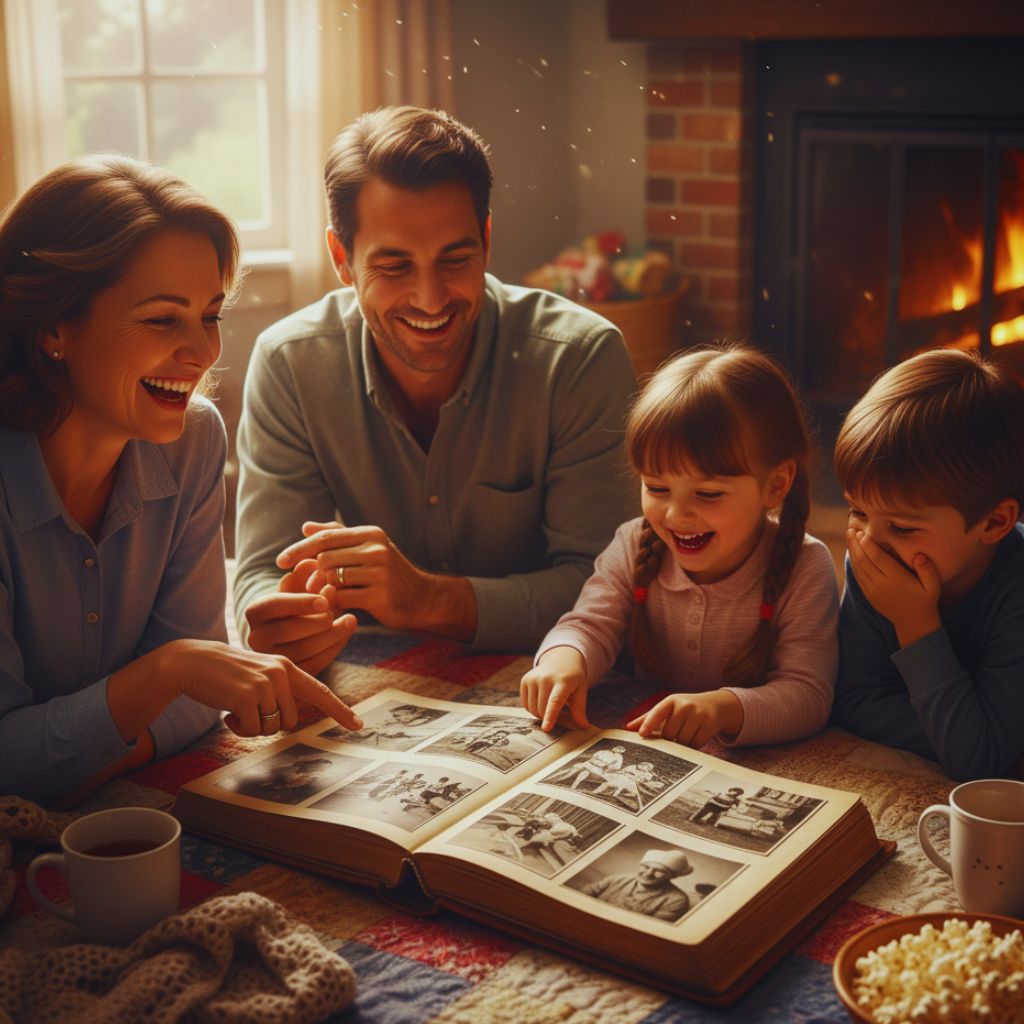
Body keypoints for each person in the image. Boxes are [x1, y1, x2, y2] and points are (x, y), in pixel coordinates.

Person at [0, 155, 361, 806]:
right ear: (54, 327)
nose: (203, 352)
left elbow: (201, 698)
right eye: (164, 319)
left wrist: (149, 703)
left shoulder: (194, 440)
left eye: (211, 314)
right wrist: (168, 674)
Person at [235, 106, 637, 672]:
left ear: (488, 240)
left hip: (552, 674)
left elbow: (611, 591)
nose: (431, 298)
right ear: (341, 260)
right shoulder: (289, 364)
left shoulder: (580, 361)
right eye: (395, 266)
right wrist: (279, 619)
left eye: (455, 258)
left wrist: (425, 599)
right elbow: (260, 573)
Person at [521, 345, 839, 748]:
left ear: (775, 485)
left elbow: (808, 695)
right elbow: (588, 625)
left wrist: (724, 708)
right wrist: (564, 659)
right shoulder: (634, 544)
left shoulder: (806, 566)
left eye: (707, 494)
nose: (676, 514)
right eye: (657, 487)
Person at [831, 348, 1024, 781]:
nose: (871, 542)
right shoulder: (874, 557)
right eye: (857, 512)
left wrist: (916, 623)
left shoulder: (1015, 591)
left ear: (994, 522)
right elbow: (852, 700)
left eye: (901, 526)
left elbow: (978, 763)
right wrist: (962, 733)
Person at [581, 848, 693, 922]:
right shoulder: (618, 878)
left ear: (671, 876)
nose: (648, 874)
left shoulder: (676, 900)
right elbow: (582, 894)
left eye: (659, 871)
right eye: (646, 867)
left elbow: (649, 929)